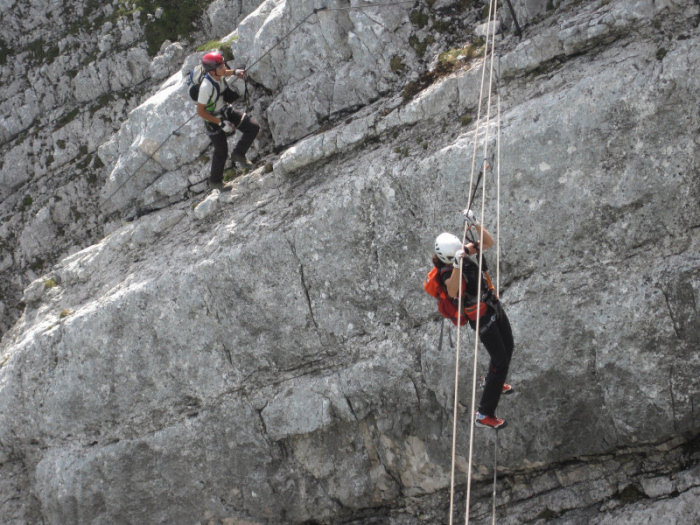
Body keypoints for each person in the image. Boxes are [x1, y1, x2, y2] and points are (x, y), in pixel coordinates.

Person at [433, 211, 514, 430]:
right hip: (479, 315)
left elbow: (487, 242)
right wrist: (458, 263)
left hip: (490, 303)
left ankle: (493, 382)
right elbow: (452, 290)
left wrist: (475, 224)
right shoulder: (445, 271)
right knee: (500, 361)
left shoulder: (459, 253)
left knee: (508, 346)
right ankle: (484, 414)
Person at [196, 51, 260, 191]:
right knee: (221, 152)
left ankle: (239, 154)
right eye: (220, 67)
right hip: (213, 119)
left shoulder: (218, 73)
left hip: (225, 110)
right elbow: (200, 111)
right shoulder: (206, 88)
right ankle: (215, 181)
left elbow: (224, 73)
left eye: (224, 65)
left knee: (252, 127)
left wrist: (236, 72)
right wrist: (220, 123)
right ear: (212, 72)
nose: (224, 68)